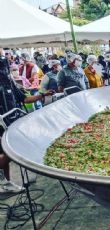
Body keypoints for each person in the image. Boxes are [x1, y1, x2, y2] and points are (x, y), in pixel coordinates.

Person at [0, 51, 54, 193]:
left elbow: (24, 99)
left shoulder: (10, 83)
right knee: (7, 152)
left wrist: (43, 95)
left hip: (13, 121)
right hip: (2, 123)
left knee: (10, 151)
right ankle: (4, 182)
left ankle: (6, 182)